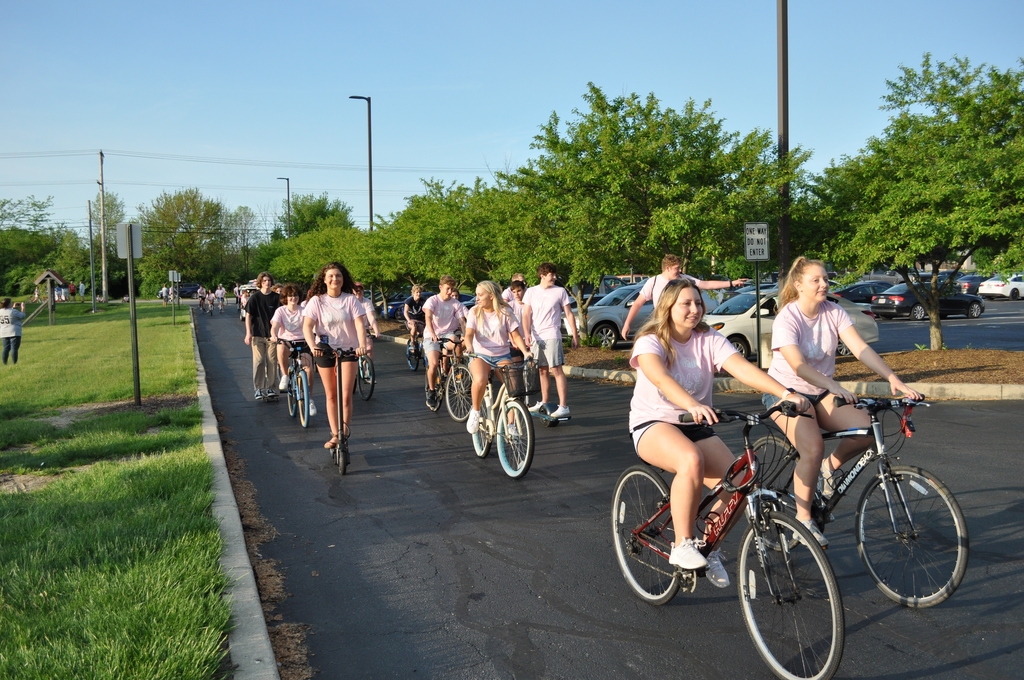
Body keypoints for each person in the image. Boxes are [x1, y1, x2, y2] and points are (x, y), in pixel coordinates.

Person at [629, 277, 808, 586]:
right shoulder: (650, 341)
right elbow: (660, 378)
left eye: (698, 303)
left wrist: (784, 393)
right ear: (667, 307)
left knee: (740, 481)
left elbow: (741, 368)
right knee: (690, 459)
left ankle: (709, 547)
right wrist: (691, 404)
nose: (694, 309)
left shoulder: (707, 338)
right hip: (654, 423)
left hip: (694, 424)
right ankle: (683, 544)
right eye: (686, 303)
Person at [763, 257, 922, 547]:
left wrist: (893, 378)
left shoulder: (833, 311)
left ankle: (828, 469)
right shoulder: (789, 317)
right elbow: (798, 366)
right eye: (816, 280)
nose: (824, 284)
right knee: (812, 447)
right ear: (798, 285)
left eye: (825, 278)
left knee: (866, 430)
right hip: (785, 391)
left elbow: (860, 348)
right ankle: (803, 520)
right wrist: (834, 386)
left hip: (821, 390)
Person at [302, 263, 368, 449]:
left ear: (343, 279)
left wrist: (362, 346)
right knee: (331, 395)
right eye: (330, 276)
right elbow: (307, 326)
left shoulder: (350, 300)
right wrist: (313, 345)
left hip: (349, 349)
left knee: (345, 395)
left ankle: (344, 432)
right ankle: (334, 433)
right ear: (324, 279)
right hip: (324, 349)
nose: (334, 279)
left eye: (338, 276)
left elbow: (359, 325)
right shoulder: (317, 301)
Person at [621, 254, 749, 339]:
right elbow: (637, 303)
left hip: (680, 324)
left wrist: (731, 283)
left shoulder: (684, 279)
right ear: (668, 268)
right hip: (662, 324)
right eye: (677, 268)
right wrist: (627, 324)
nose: (680, 271)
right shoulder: (653, 282)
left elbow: (706, 284)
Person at [464, 281, 532, 434]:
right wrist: (469, 347)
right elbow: (468, 335)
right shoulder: (474, 312)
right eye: (476, 294)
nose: (477, 298)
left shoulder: (505, 312)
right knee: (480, 379)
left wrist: (526, 352)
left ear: (491, 296)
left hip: (501, 355)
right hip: (480, 355)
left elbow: (516, 335)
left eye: (480, 295)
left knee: (514, 387)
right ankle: (475, 411)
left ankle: (511, 424)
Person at [521, 262, 579, 418]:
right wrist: (526, 333)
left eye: (554, 274)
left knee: (556, 369)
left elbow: (569, 314)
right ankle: (544, 401)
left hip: (552, 334)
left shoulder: (560, 292)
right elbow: (526, 314)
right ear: (542, 276)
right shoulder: (531, 292)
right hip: (536, 336)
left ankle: (563, 406)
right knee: (542, 370)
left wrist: (574, 334)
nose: (554, 277)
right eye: (551, 275)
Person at [271, 283, 317, 416]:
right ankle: (285, 375)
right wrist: (274, 335)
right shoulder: (281, 311)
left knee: (308, 369)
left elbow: (312, 325)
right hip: (286, 341)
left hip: (303, 341)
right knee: (281, 348)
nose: (293, 298)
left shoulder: (304, 311)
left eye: (296, 295)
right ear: (285, 297)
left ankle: (310, 399)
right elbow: (275, 326)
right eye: (290, 296)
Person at [423, 275, 468, 409]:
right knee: (433, 363)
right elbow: (428, 317)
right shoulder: (433, 300)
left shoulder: (455, 303)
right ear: (440, 287)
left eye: (452, 289)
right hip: (432, 335)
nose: (450, 292)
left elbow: (462, 321)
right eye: (447, 289)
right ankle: (431, 392)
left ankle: (455, 370)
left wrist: (465, 334)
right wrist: (432, 333)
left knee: (457, 343)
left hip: (448, 334)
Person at [243, 272, 282, 400]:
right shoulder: (255, 298)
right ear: (260, 282)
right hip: (257, 335)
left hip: (272, 336)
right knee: (259, 361)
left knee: (272, 362)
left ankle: (271, 388)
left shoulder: (277, 298)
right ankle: (259, 388)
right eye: (264, 280)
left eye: (269, 280)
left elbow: (282, 315)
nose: (267, 283)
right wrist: (248, 333)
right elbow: (248, 316)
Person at [352, 283, 380, 359]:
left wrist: (376, 331)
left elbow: (371, 317)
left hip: (364, 329)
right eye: (356, 290)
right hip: (351, 329)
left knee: (369, 349)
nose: (358, 292)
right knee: (351, 352)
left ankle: (366, 369)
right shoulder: (349, 301)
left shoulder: (366, 302)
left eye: (360, 290)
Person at [1, 298, 27, 365]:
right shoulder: (13, 311)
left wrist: (13, 307)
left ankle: (4, 363)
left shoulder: (1, 311)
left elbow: (8, 312)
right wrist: (23, 308)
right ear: (9, 304)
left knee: (5, 348)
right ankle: (14, 363)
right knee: (14, 348)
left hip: (3, 332)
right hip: (14, 331)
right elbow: (22, 316)